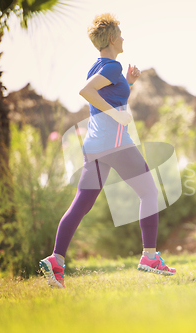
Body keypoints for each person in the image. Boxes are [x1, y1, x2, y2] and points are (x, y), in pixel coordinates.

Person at [39, 13, 176, 289]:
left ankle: (56, 260)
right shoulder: (110, 67)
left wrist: (129, 82)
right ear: (112, 38)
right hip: (115, 145)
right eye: (121, 34)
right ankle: (150, 257)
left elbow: (106, 94)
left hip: (95, 147)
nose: (124, 38)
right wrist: (117, 114)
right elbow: (86, 92)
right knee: (149, 192)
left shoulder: (102, 67)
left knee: (81, 205)